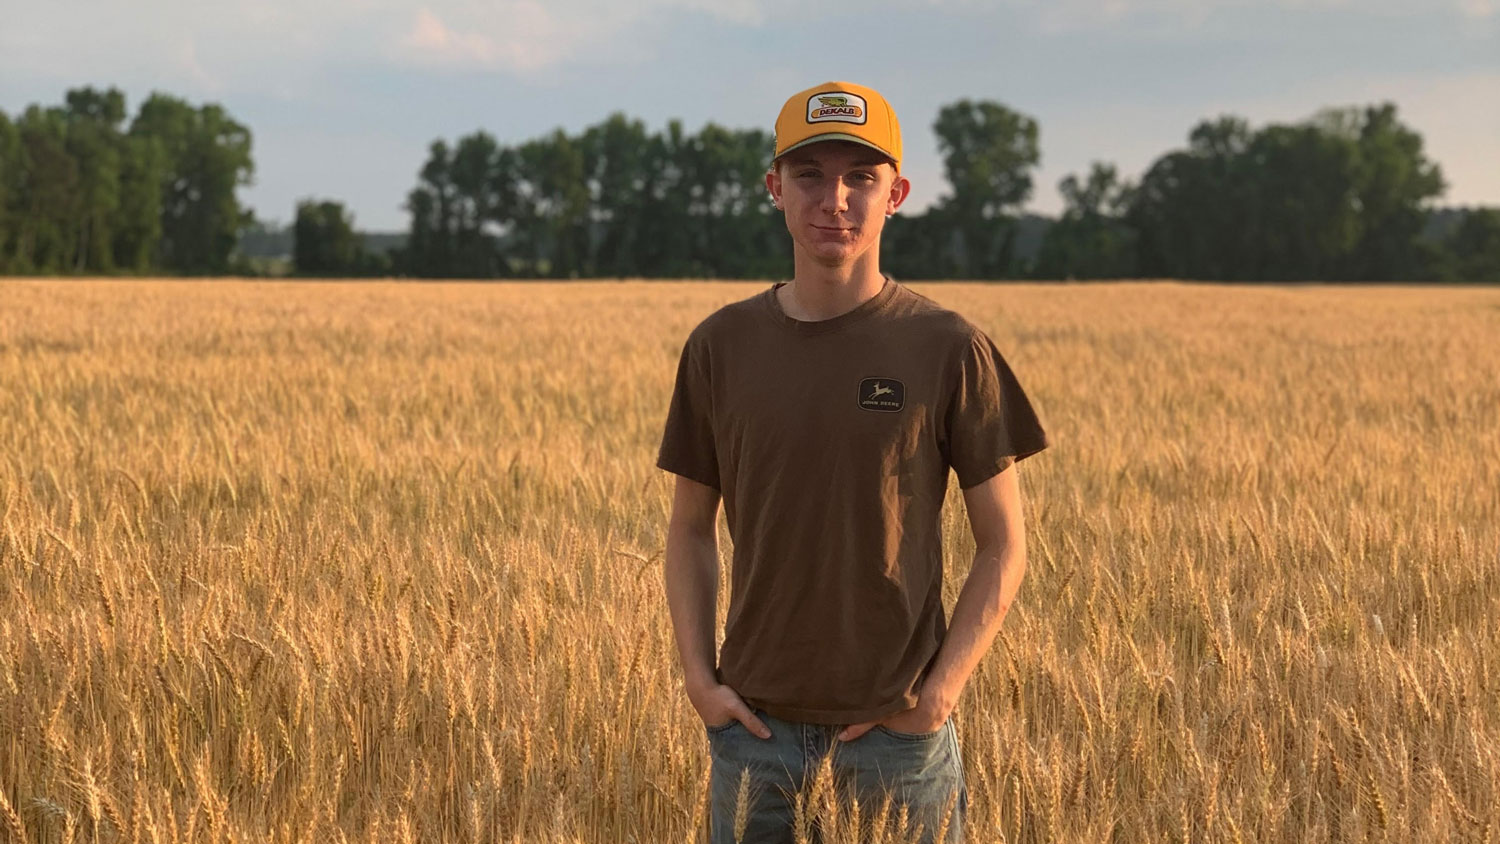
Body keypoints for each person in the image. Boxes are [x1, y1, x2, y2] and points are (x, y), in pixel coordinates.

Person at [656, 80, 1050, 844]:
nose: (833, 198)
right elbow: (689, 531)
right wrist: (702, 684)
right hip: (756, 739)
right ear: (775, 187)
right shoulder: (720, 347)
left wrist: (936, 697)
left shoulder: (947, 347)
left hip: (896, 746)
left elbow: (1006, 544)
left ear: (896, 193)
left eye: (859, 178)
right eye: (810, 174)